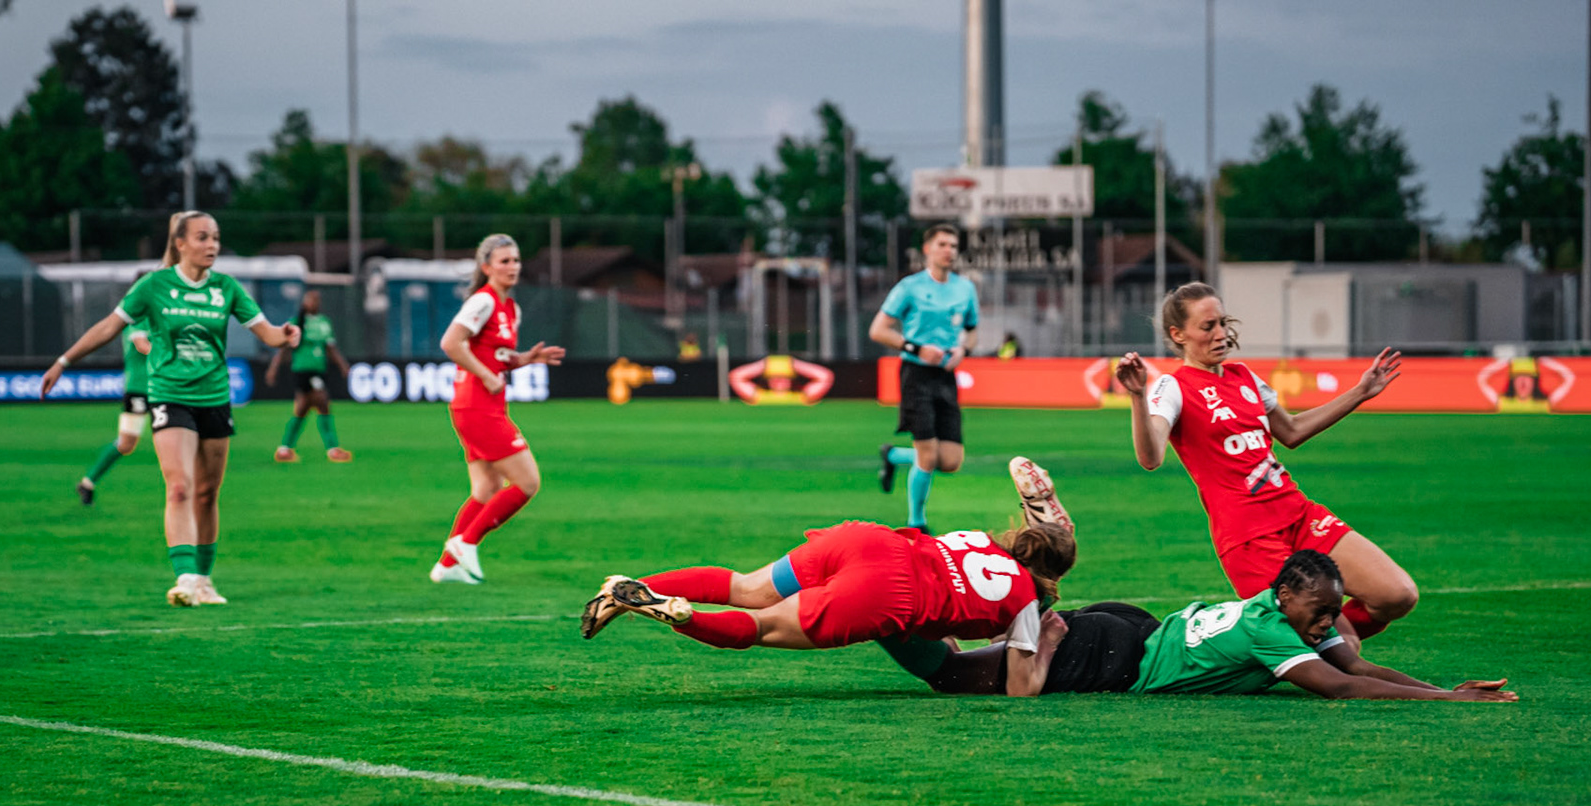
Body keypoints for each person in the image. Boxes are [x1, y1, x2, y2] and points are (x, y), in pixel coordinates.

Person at [1116, 282, 1412, 645]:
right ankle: (1314, 645)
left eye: (1223, 322)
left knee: (1397, 595)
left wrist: (1360, 392)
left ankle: (1308, 644)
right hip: (1249, 536)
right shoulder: (1174, 388)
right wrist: (1136, 396)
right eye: (1208, 326)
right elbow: (1151, 457)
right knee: (1342, 646)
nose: (1221, 334)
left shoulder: (1245, 378)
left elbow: (1292, 430)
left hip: (1298, 514)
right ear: (1178, 335)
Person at [42, 210, 303, 607]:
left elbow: (265, 332)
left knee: (207, 493)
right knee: (178, 487)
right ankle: (184, 579)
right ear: (179, 244)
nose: (211, 245)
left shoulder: (227, 288)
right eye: (202, 237)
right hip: (169, 395)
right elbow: (109, 326)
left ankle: (204, 579)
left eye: (215, 237)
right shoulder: (154, 286)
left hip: (215, 398)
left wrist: (285, 335)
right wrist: (64, 361)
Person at [880, 550, 1516, 702]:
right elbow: (1342, 689)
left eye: (1332, 610)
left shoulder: (1285, 617)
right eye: (1320, 610)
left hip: (1133, 627)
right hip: (1117, 656)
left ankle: (917, 607)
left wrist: (1440, 689)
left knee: (985, 657)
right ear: (1284, 593)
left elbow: (1358, 666)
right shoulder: (1271, 630)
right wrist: (1446, 703)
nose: (1330, 621)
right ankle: (876, 611)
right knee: (954, 679)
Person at [580, 513, 1076, 686]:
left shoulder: (979, 539)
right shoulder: (1027, 605)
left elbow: (948, 584)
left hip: (873, 541)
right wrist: (1048, 640)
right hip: (884, 596)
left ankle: (622, 589)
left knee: (746, 588)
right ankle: (679, 617)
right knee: (761, 628)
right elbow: (1019, 688)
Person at [431, 233, 566, 585]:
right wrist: (487, 376)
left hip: (478, 406)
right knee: (527, 481)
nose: (512, 267)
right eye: (504, 261)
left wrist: (525, 359)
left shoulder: (510, 307)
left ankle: (447, 566)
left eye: (516, 260)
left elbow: (497, 356)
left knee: (486, 489)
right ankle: (467, 543)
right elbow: (451, 343)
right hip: (477, 406)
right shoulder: (483, 302)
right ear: (486, 266)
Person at [869, 223, 979, 532]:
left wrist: (962, 350)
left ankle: (892, 456)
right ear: (927, 249)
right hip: (915, 374)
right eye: (943, 244)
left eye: (954, 246)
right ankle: (916, 524)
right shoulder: (909, 287)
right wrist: (915, 347)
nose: (949, 251)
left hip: (946, 376)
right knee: (928, 456)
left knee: (951, 461)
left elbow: (971, 330)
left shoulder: (964, 288)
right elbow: (878, 330)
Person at [266, 289, 353, 463]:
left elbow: (330, 348)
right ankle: (333, 449)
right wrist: (274, 368)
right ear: (305, 302)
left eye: (317, 300)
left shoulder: (324, 323)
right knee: (322, 401)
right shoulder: (297, 323)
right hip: (303, 370)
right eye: (311, 299)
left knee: (303, 408)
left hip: (318, 370)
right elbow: (284, 347)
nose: (315, 302)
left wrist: (342, 365)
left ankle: (284, 449)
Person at [75, 320, 153, 505]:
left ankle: (186, 490)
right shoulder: (139, 317)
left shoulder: (162, 315)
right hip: (139, 389)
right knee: (126, 444)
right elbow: (142, 346)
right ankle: (88, 483)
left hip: (165, 388)